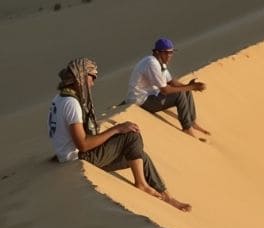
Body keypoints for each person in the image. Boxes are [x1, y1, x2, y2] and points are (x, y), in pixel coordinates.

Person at [48, 57, 191, 212]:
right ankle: (141, 184)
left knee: (139, 155)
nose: (92, 83)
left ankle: (167, 196)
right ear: (80, 75)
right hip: (78, 159)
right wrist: (116, 129)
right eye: (91, 77)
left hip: (71, 156)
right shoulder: (71, 103)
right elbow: (82, 144)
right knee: (131, 135)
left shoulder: (59, 98)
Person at [126, 37, 210, 139]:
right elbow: (165, 90)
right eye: (166, 53)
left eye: (171, 53)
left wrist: (189, 86)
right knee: (180, 94)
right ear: (157, 52)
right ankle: (187, 128)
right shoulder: (152, 63)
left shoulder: (161, 63)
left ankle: (192, 121)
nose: (169, 56)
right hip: (142, 100)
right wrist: (191, 87)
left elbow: (171, 82)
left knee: (185, 89)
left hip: (152, 95)